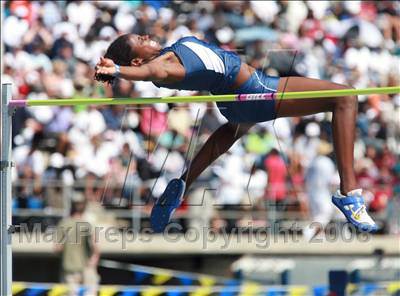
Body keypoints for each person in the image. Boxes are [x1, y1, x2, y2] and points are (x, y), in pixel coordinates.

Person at [94, 34, 377, 233]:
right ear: (135, 62)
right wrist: (117, 70)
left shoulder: (167, 55)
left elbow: (150, 67)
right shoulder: (161, 67)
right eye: (140, 42)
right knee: (346, 97)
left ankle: (184, 181)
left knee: (231, 130)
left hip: (233, 104)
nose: (145, 37)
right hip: (257, 92)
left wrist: (119, 69)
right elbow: (149, 71)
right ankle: (348, 193)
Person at [55, 195, 100, 296]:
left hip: (70, 269)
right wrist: (93, 260)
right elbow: (96, 247)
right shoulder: (87, 224)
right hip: (85, 268)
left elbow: (57, 248)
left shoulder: (64, 224)